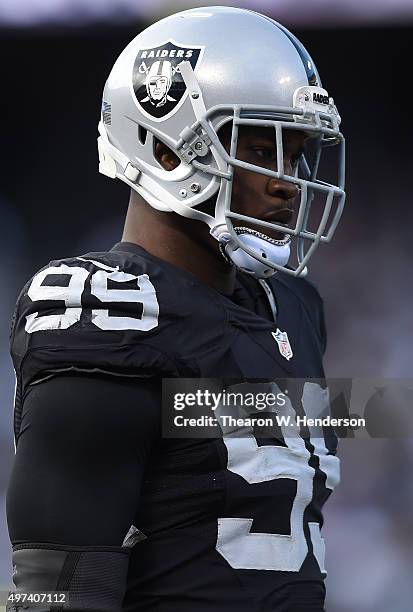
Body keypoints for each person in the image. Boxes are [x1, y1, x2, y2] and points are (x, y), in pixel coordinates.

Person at [6, 6, 345, 612]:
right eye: (262, 148)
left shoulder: (295, 306)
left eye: (296, 154)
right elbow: (58, 590)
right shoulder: (109, 313)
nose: (287, 182)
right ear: (167, 152)